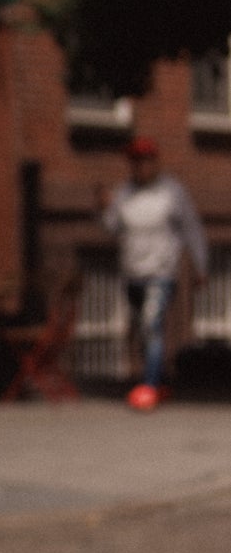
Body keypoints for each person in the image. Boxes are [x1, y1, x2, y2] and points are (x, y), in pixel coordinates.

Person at [98, 136, 208, 411]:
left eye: (143, 161)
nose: (139, 167)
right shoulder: (124, 193)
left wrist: (201, 265)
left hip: (161, 272)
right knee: (142, 330)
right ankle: (157, 381)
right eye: (134, 162)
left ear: (153, 163)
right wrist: (103, 207)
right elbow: (112, 227)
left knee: (151, 324)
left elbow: (191, 228)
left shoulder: (172, 192)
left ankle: (148, 387)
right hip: (133, 272)